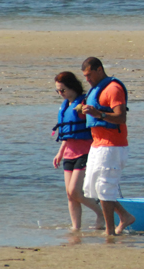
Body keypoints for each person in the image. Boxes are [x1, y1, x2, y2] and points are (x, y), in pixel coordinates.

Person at [79, 57, 135, 235]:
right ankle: (124, 216)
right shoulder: (95, 90)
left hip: (113, 146)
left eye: (89, 75)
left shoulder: (113, 88)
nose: (87, 80)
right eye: (85, 77)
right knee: (92, 187)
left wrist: (99, 115)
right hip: (97, 145)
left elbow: (121, 117)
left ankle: (110, 230)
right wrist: (81, 109)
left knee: (105, 187)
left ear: (99, 70)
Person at [52, 71, 105, 231]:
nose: (61, 94)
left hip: (85, 152)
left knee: (75, 191)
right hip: (69, 153)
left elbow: (96, 121)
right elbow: (67, 134)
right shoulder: (65, 105)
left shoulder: (83, 103)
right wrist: (60, 152)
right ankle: (76, 229)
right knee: (70, 195)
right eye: (58, 91)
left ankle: (101, 213)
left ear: (72, 87)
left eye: (63, 90)